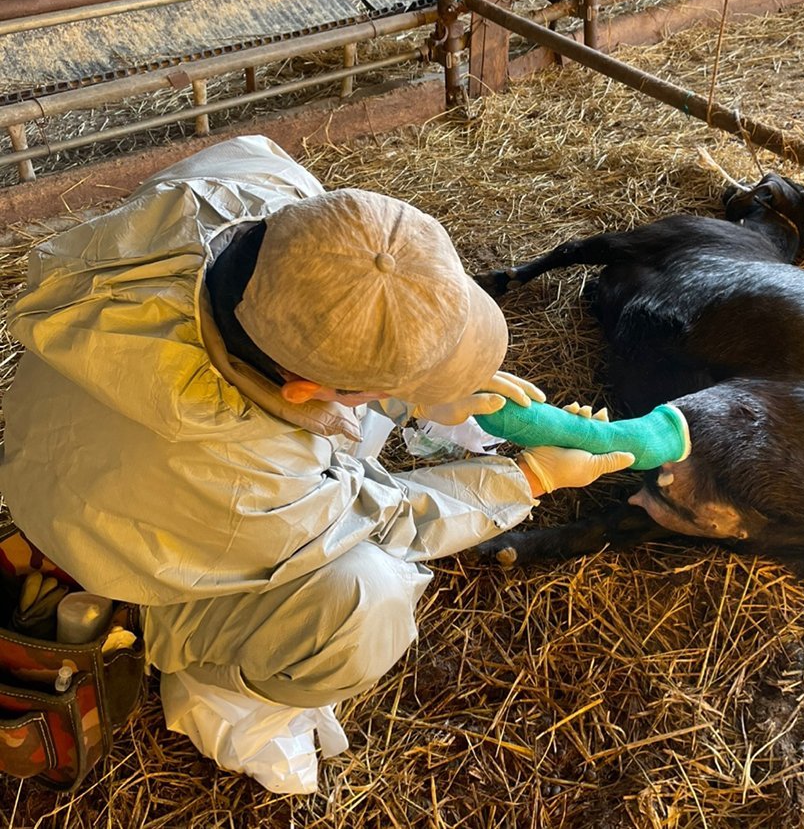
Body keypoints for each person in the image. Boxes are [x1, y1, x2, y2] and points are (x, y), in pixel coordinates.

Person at [0, 136, 633, 792]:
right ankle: (220, 689)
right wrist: (531, 477)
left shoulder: (250, 183)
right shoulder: (253, 482)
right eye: (371, 389)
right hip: (138, 561)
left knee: (349, 400)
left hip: (74, 451)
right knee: (365, 601)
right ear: (303, 390)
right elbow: (390, 520)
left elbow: (340, 307)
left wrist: (431, 381)